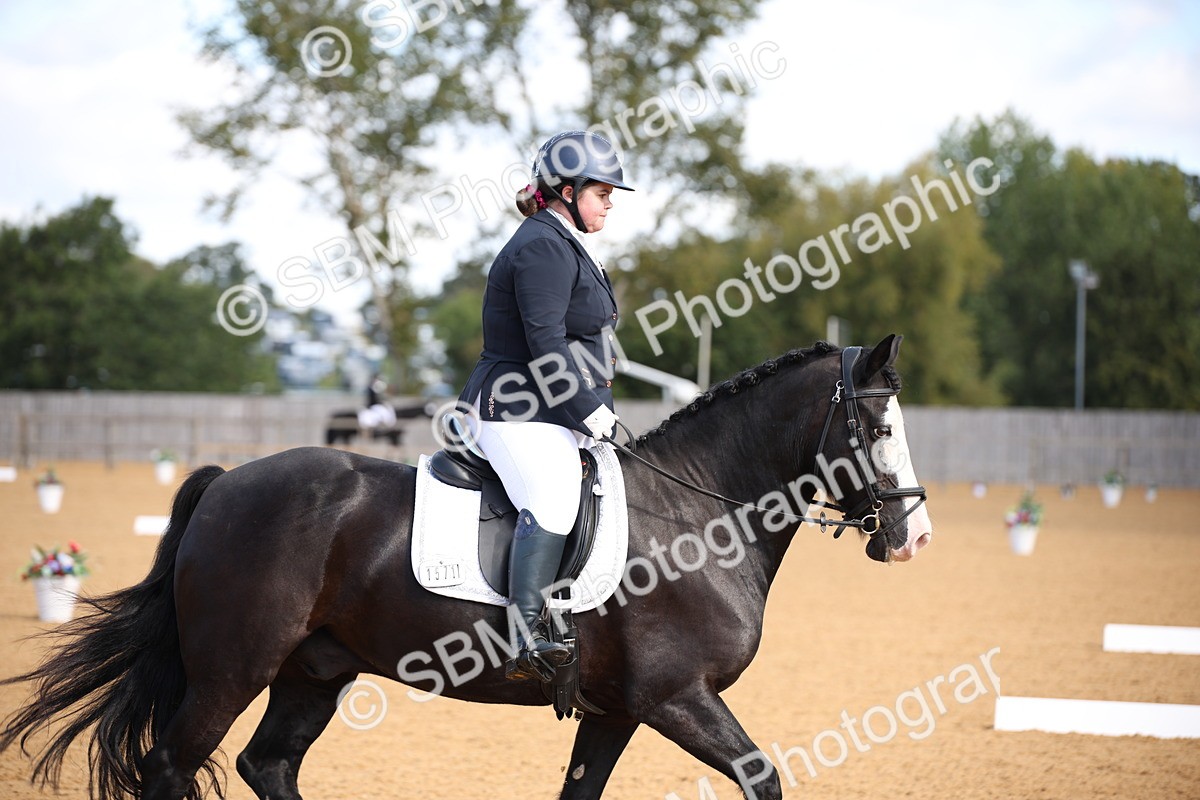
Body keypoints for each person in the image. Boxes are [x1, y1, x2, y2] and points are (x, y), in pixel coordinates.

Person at [455, 130, 633, 681]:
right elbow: (546, 345)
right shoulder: (542, 246)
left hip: (546, 410)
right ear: (567, 191)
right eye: (602, 192)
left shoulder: (567, 243)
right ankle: (524, 636)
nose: (609, 202)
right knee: (554, 495)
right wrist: (589, 410)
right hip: (511, 408)